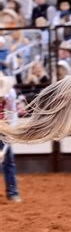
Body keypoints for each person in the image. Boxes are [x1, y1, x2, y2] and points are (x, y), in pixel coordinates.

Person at [0, 72, 21, 202]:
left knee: (8, 159)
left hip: (4, 127)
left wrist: (5, 147)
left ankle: (12, 192)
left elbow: (13, 118)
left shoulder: (11, 94)